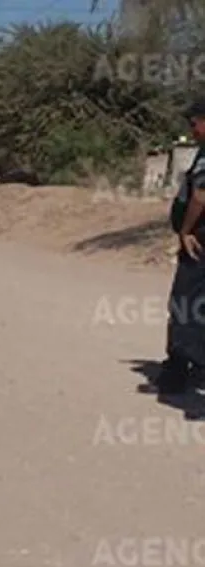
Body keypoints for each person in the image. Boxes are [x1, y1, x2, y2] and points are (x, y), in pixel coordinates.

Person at [157, 99, 205, 393]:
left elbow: (201, 195)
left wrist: (185, 230)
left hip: (200, 240)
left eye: (195, 122)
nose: (193, 129)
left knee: (185, 302)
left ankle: (178, 367)